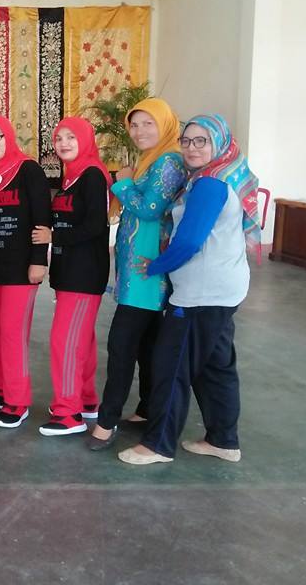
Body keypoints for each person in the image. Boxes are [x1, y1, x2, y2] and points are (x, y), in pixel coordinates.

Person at [119, 114, 258, 466]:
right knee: (215, 366)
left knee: (172, 366)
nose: (192, 148)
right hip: (225, 288)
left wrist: (156, 265)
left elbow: (190, 240)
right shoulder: (221, 175)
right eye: (187, 141)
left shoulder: (210, 184)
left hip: (201, 294)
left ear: (218, 143)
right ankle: (223, 440)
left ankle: (158, 444)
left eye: (202, 141)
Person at [87, 99, 185, 451]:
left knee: (122, 345)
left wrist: (123, 184)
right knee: (146, 345)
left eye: (148, 123)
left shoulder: (169, 160)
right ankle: (146, 409)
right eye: (135, 124)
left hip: (148, 273)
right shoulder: (152, 159)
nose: (139, 131)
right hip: (138, 270)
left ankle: (107, 420)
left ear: (165, 124)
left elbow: (149, 209)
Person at [33, 117, 111, 436]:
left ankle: (68, 413)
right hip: (69, 272)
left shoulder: (92, 175)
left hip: (84, 273)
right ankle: (87, 401)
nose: (63, 143)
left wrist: (54, 237)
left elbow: (95, 226)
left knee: (64, 341)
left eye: (71, 137)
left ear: (85, 140)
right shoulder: (72, 176)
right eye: (59, 138)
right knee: (82, 340)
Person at [0, 117, 51, 428]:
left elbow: (42, 217)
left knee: (12, 333)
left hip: (20, 269)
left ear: (9, 137)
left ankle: (18, 401)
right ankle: (4, 388)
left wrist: (39, 260)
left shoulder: (29, 170)